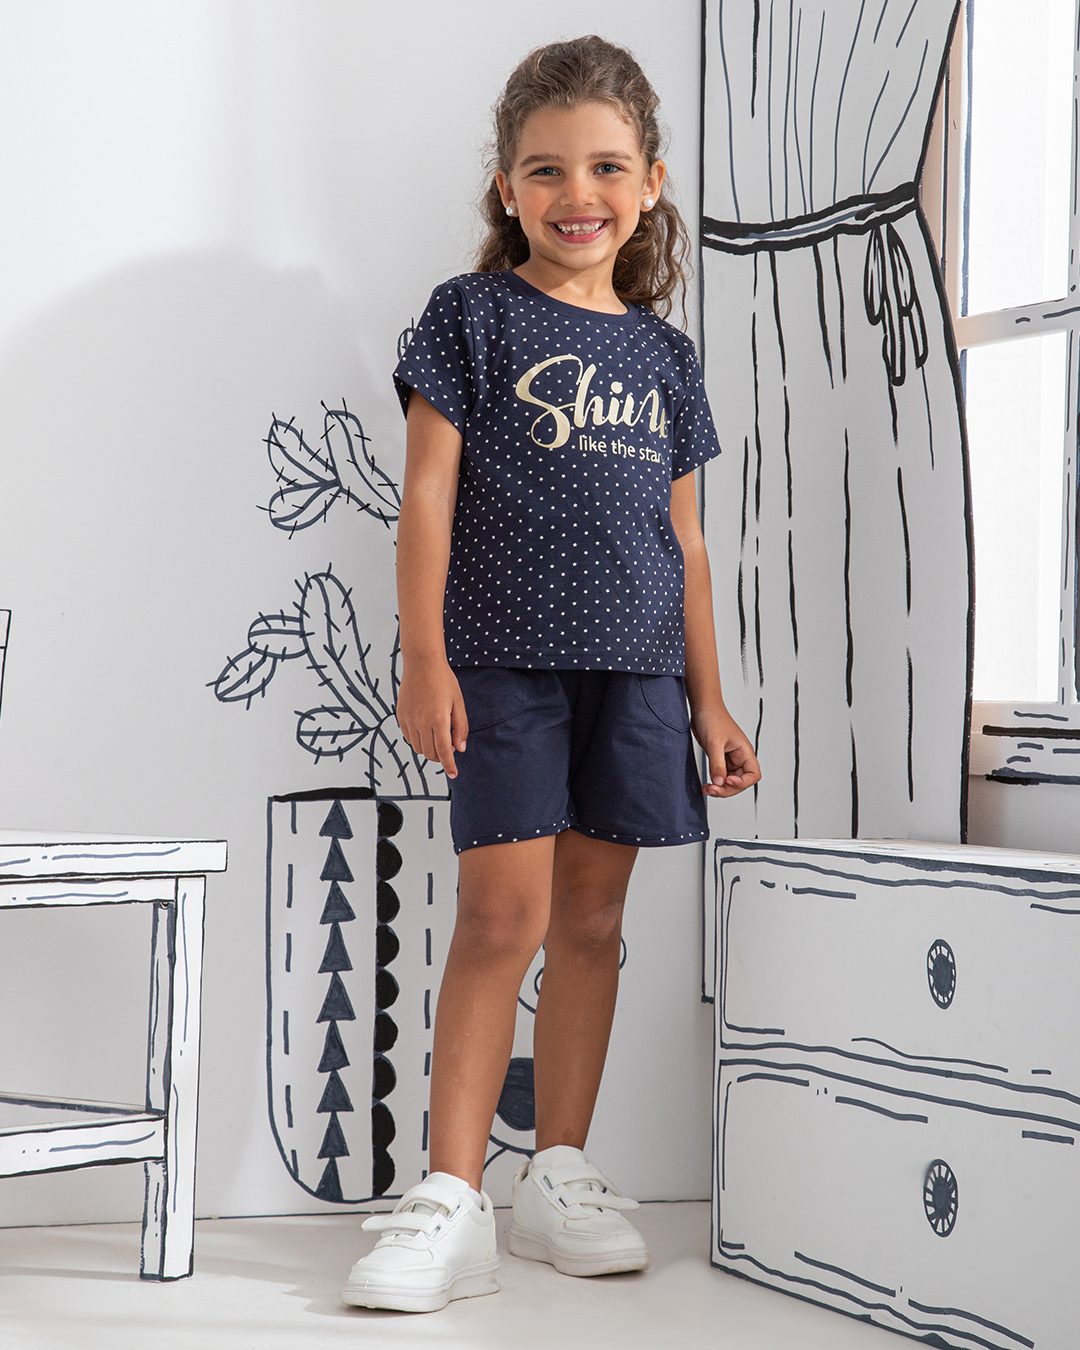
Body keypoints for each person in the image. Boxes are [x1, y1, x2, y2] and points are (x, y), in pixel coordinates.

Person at [342, 34, 760, 1315]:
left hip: (637, 679)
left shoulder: (668, 358)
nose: (578, 193)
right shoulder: (471, 317)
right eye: (546, 169)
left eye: (606, 167)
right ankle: (450, 1197)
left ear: (650, 183)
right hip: (504, 668)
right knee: (498, 922)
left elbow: (687, 544)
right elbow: (426, 499)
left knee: (591, 927)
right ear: (507, 187)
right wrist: (426, 658)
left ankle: (557, 1175)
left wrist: (708, 699)